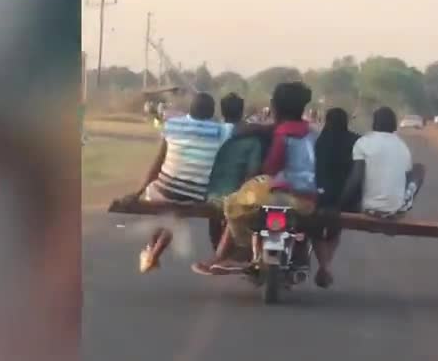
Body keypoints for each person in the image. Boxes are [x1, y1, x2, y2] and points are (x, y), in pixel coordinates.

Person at [195, 81, 318, 275]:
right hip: (309, 199)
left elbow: (271, 167)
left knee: (234, 204)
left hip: (284, 195)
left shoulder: (282, 134)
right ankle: (300, 252)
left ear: (275, 108)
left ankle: (237, 252)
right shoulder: (311, 133)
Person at [133, 91, 232, 273]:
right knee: (177, 214)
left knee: (167, 210)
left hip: (163, 190)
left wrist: (138, 191)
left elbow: (158, 162)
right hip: (194, 194)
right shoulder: (220, 131)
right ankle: (152, 253)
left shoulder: (171, 125)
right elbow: (240, 129)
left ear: (190, 110)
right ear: (212, 113)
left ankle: (151, 251)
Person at [204, 92, 269, 250]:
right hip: (235, 196)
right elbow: (251, 173)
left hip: (210, 193)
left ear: (222, 111)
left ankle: (217, 247)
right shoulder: (253, 140)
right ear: (241, 112)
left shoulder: (213, 133)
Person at [338, 106, 426, 220]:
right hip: (395, 211)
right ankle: (404, 204)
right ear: (394, 124)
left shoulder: (363, 142)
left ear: (374, 123)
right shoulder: (402, 146)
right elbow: (406, 177)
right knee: (419, 169)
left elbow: (356, 178)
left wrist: (340, 203)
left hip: (369, 209)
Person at [311, 107, 361, 287]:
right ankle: (326, 265)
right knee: (335, 228)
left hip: (319, 195)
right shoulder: (356, 141)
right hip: (344, 198)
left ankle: (324, 264)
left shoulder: (319, 140)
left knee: (314, 229)